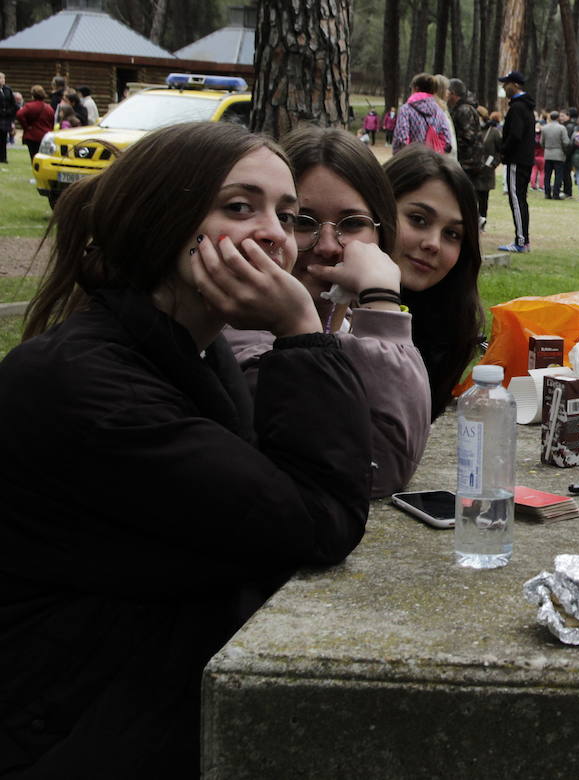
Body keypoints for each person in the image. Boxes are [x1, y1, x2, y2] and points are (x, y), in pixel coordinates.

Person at [0, 121, 371, 774]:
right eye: (238, 207)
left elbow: (282, 495)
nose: (276, 236)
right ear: (161, 219)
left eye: (287, 216)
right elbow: (319, 519)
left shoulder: (189, 350)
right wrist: (300, 330)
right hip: (65, 734)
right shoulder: (89, 386)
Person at [225, 126, 430, 498]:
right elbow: (381, 465)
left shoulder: (354, 329)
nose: (329, 246)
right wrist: (383, 301)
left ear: (381, 235)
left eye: (353, 224)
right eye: (303, 222)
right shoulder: (240, 334)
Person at [383, 147, 484, 420]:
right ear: (379, 208)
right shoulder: (331, 311)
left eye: (452, 234)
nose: (432, 244)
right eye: (418, 220)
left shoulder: (449, 326)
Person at [497, 70, 536, 254]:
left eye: (506, 84)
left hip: (517, 160)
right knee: (520, 199)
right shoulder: (526, 107)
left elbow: (515, 135)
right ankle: (522, 239)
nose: (504, 87)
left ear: (515, 85)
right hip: (525, 159)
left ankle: (521, 241)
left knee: (516, 199)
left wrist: (503, 151)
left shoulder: (518, 108)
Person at [447, 79, 487, 230]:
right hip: (469, 159)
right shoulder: (464, 108)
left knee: (464, 192)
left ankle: (474, 220)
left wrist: (451, 142)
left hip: (468, 160)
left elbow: (468, 135)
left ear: (454, 94)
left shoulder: (464, 110)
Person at [392, 73, 452, 155]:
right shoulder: (440, 111)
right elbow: (447, 141)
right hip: (433, 161)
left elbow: (401, 139)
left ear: (416, 88)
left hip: (411, 160)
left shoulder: (406, 110)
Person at [16, 84, 53, 161]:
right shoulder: (49, 108)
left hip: (32, 135)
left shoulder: (29, 106)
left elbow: (19, 114)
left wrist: (26, 126)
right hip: (45, 136)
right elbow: (52, 121)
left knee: (34, 156)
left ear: (33, 95)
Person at [542, 108, 571, 200]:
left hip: (547, 153)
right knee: (558, 175)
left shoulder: (545, 128)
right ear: (558, 118)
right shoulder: (562, 128)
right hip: (559, 154)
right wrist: (564, 150)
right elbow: (566, 142)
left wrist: (546, 148)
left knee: (547, 175)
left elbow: (541, 142)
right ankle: (556, 193)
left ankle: (547, 193)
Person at [0, 71, 18, 161]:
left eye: (3, 78)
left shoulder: (8, 89)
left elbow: (13, 104)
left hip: (6, 118)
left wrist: (10, 113)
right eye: (0, 78)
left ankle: (3, 158)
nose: (2, 80)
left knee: (4, 138)